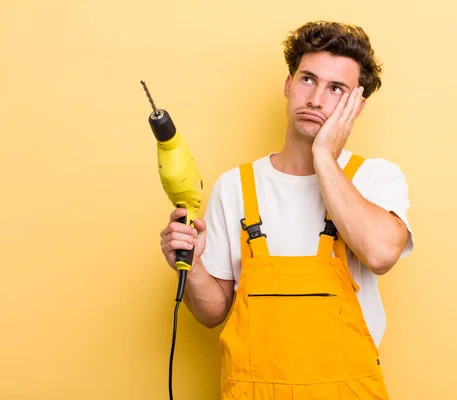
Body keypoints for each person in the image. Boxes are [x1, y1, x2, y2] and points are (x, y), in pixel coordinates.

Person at [160, 20, 414, 399]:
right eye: (308, 79)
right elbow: (212, 313)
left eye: (336, 89)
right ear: (288, 84)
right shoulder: (235, 187)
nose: (315, 99)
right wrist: (193, 265)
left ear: (356, 106)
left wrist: (325, 157)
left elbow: (380, 253)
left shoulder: (376, 178)